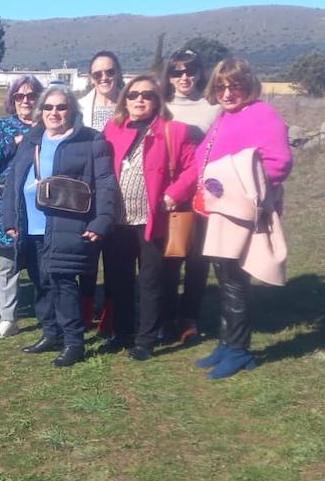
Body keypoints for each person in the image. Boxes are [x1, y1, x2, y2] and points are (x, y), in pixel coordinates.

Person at [0, 86, 117, 367]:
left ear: (72, 110)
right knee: (41, 283)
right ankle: (50, 333)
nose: (54, 113)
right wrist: (10, 218)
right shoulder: (33, 138)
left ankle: (73, 341)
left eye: (61, 107)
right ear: (41, 111)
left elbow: (105, 184)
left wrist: (101, 220)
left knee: (63, 283)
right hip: (32, 223)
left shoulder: (90, 141)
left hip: (68, 224)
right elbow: (14, 179)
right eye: (49, 107)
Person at [193, 58, 293, 379]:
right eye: (220, 86)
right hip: (220, 211)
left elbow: (278, 163)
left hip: (240, 213)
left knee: (236, 282)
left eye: (234, 85)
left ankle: (239, 350)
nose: (227, 92)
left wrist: (244, 193)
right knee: (225, 280)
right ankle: (227, 343)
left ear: (248, 84)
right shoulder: (225, 117)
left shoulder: (262, 115)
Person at [100, 74, 197, 360]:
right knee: (118, 279)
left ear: (157, 101)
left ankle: (146, 339)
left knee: (151, 281)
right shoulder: (113, 128)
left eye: (147, 95)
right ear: (124, 100)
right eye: (133, 95)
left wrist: (173, 194)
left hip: (152, 219)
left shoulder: (174, 130)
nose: (139, 99)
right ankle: (122, 332)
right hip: (117, 219)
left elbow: (193, 170)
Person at [0, 74, 44, 337]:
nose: (26, 100)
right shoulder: (0, 127)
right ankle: (8, 318)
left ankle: (47, 314)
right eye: (20, 96)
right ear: (12, 100)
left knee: (42, 262)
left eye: (32, 95)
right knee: (8, 263)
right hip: (8, 204)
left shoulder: (49, 125)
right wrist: (11, 143)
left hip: (42, 205)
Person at [161, 48, 220, 345]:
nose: (184, 77)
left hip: (202, 195)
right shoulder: (161, 107)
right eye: (177, 71)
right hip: (168, 195)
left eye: (190, 70)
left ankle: (189, 318)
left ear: (199, 73)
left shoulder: (212, 107)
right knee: (169, 258)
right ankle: (167, 317)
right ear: (169, 76)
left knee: (198, 260)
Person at [79, 52, 124, 336]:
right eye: (98, 74)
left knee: (116, 258)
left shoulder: (131, 102)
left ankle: (110, 316)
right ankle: (84, 314)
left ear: (118, 73)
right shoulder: (81, 108)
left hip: (122, 193)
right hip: (88, 194)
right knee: (86, 257)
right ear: (90, 78)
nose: (104, 78)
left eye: (109, 72)